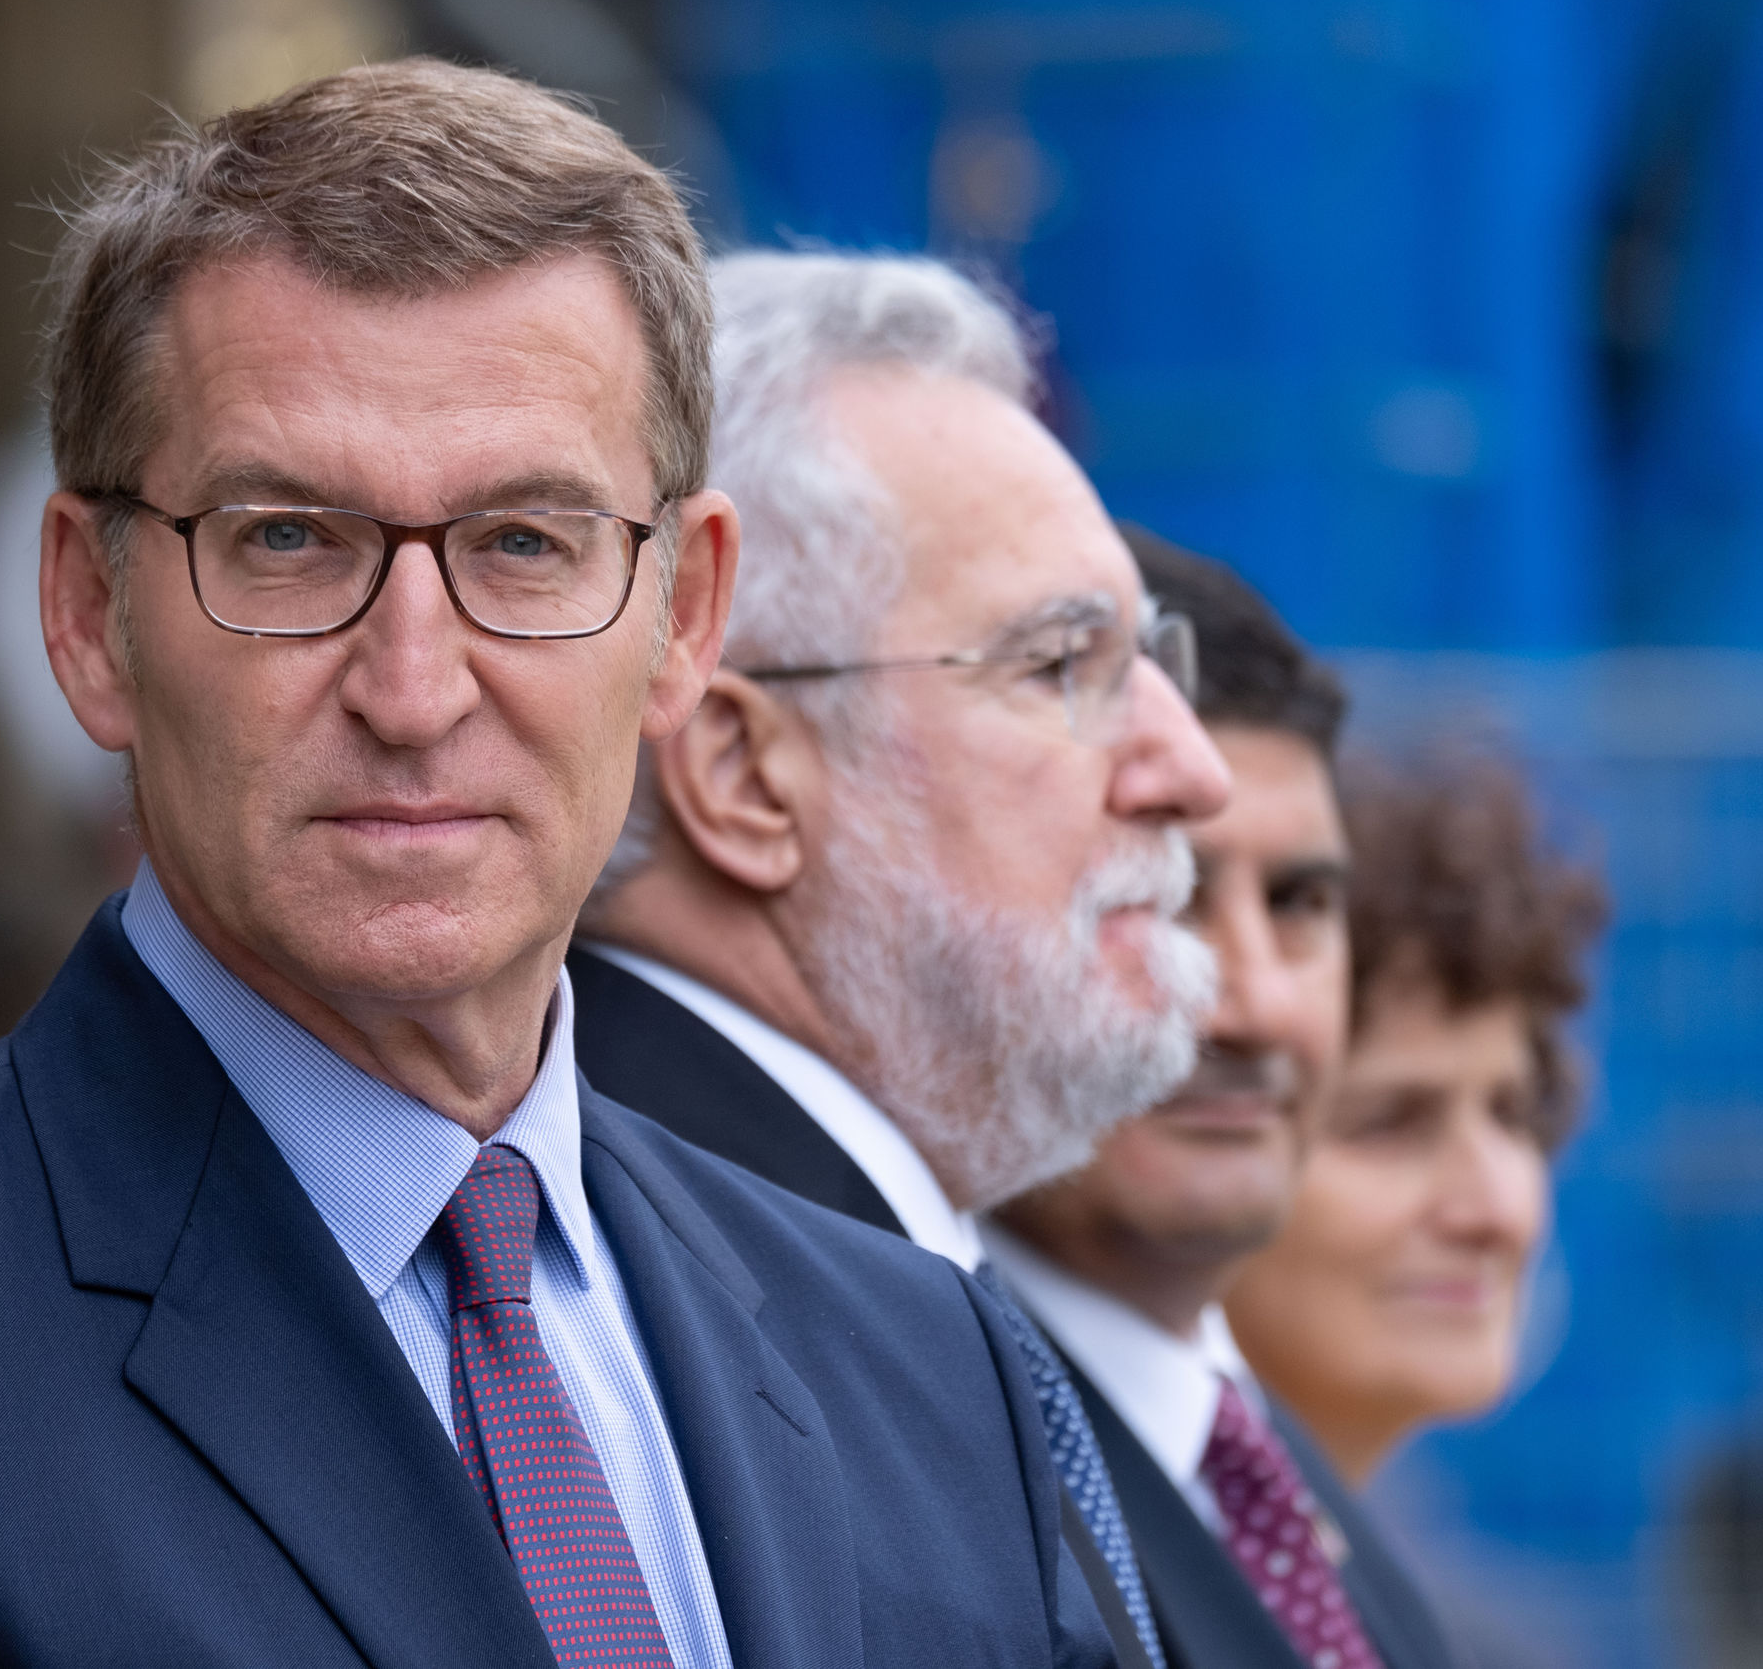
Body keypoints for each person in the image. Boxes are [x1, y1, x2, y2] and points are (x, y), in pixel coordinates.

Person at [0, 63, 1119, 1668]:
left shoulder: (932, 1365)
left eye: (525, 541)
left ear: (686, 615)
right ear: (89, 613)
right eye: (288, 539)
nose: (413, 687)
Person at [572, 250, 1231, 1669]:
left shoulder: (837, 1262)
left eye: (1152, 662)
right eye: (1059, 664)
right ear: (743, 773)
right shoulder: (618, 1289)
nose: (1191, 769)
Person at [989, 542, 1459, 1669]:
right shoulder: (935, 1479)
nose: (1253, 1003)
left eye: (1300, 902)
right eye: (1170, 894)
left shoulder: (1280, 1476)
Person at [1224, 751, 1604, 1484]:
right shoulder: (1060, 1539)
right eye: (1386, 1123)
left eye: (1513, 1113)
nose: (1495, 1211)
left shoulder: (1341, 1544)